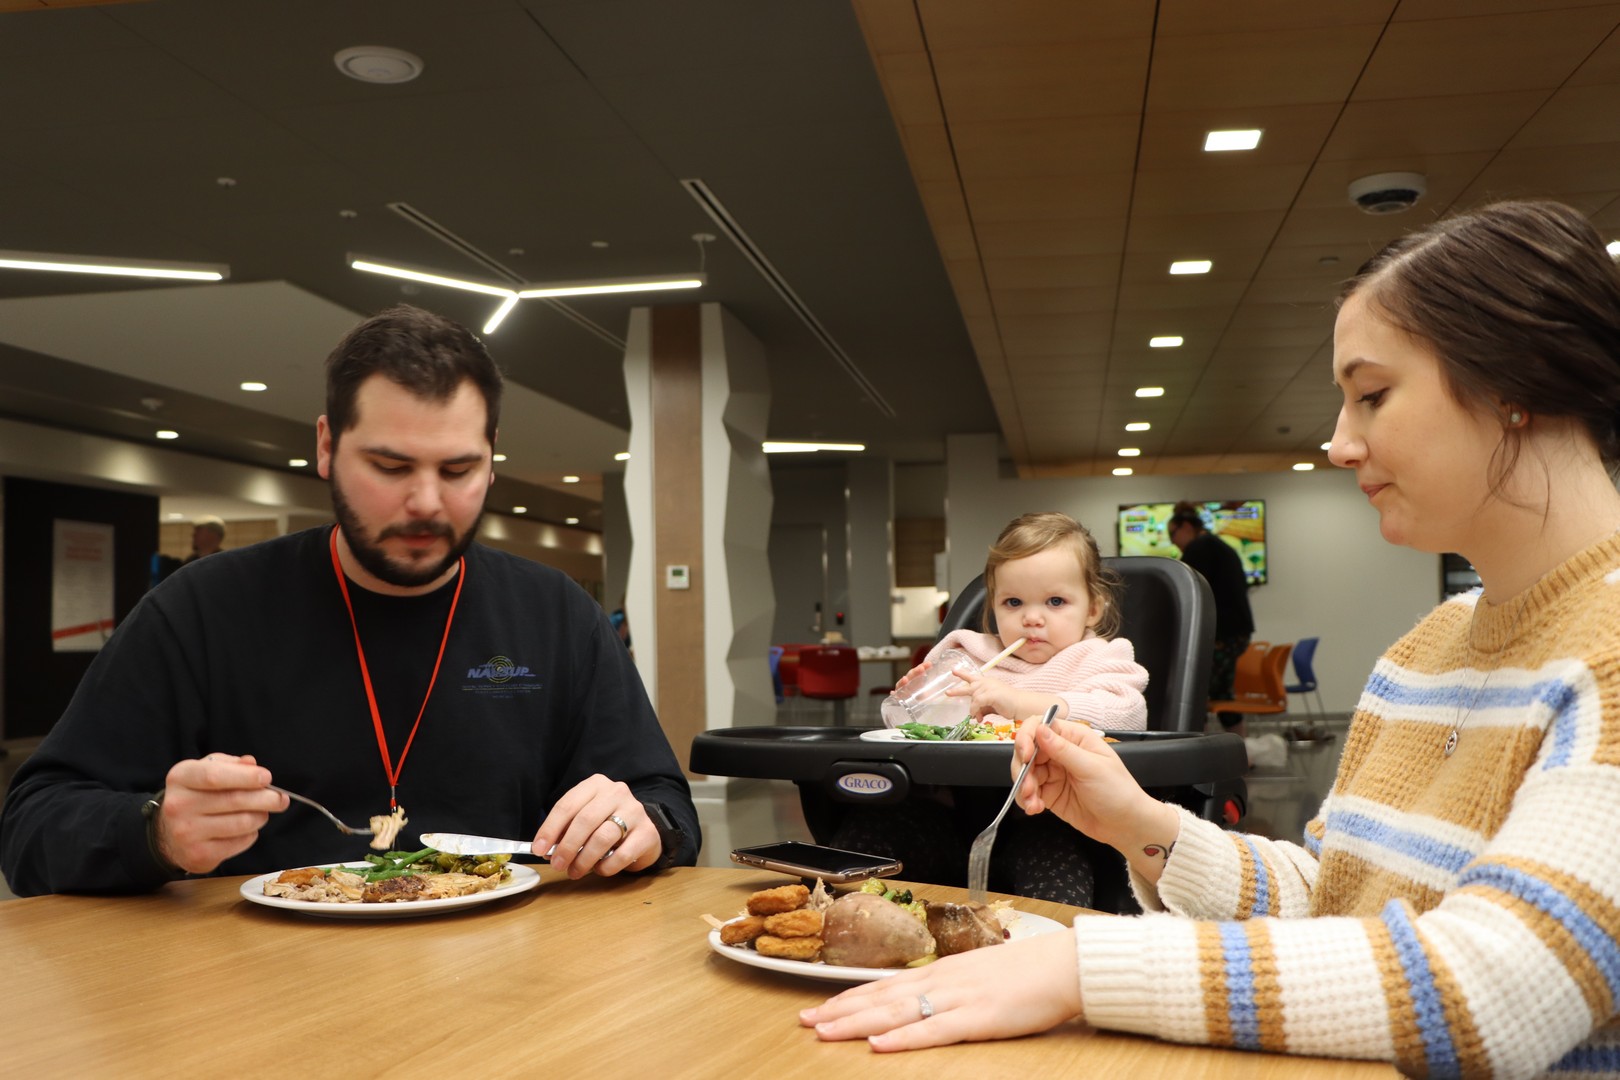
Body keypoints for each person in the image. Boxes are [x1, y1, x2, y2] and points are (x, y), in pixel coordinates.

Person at [800, 200, 1620, 1075]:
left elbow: (1493, 988)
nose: (1340, 443)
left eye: (1372, 395)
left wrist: (1085, 967)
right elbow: (1340, 902)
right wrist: (1145, 827)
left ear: (1518, 385)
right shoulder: (1425, 649)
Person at [0, 304, 699, 895]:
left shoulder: (555, 615)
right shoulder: (204, 610)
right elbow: (32, 826)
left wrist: (639, 827)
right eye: (390, 467)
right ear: (328, 447)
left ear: (491, 462)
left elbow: (669, 809)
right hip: (259, 1001)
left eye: (458, 469)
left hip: (502, 993)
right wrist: (153, 828)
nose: (425, 502)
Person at [833, 512, 1148, 906]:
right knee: (867, 836)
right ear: (994, 605)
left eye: (1055, 601)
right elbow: (915, 728)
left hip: (1051, 820)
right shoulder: (970, 655)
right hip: (951, 820)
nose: (1032, 618)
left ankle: (1042, 958)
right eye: (1013, 602)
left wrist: (1021, 705)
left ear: (1092, 610)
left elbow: (1127, 712)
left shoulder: (1098, 657)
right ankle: (849, 929)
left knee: (1056, 874)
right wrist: (919, 701)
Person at [1166, 501, 1254, 733]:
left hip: (1221, 635)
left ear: (1186, 527)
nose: (1172, 541)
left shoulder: (1199, 548)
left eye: (1172, 534)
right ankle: (1241, 755)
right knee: (1222, 694)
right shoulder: (1219, 546)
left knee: (1194, 692)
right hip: (1236, 633)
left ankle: (1195, 755)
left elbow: (1188, 594)